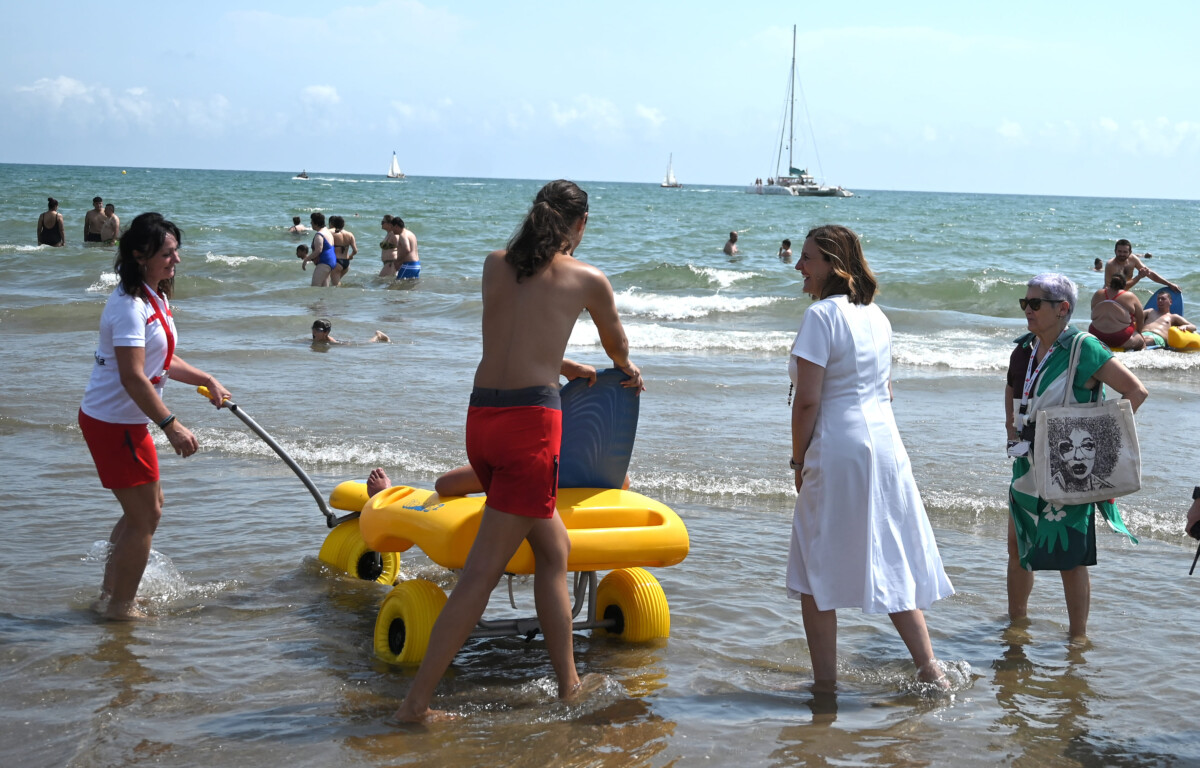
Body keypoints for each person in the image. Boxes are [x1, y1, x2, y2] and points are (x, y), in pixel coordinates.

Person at [392, 179, 642, 723]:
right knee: (481, 573)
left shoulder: (494, 264)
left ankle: (569, 685)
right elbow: (617, 345)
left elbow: (512, 336)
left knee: (554, 551)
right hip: (531, 427)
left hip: (483, 419)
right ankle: (416, 705)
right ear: (580, 224)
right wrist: (626, 370)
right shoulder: (587, 278)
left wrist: (563, 365)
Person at [788, 224, 953, 690]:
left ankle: (825, 687)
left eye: (808, 258)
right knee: (888, 551)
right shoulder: (876, 316)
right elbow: (887, 390)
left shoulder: (821, 316)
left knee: (815, 569)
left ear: (833, 265)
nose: (799, 266)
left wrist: (798, 461)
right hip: (885, 444)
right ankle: (931, 670)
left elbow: (808, 401)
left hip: (838, 446)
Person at [78, 212, 231, 620]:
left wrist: (207, 379)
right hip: (114, 423)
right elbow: (132, 376)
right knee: (146, 515)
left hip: (125, 421)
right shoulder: (129, 306)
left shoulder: (153, 296)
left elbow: (160, 360)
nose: (176, 260)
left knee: (145, 510)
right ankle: (121, 608)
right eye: (166, 253)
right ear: (139, 255)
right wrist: (171, 425)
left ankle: (110, 595)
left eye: (176, 251)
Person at [1004, 272, 1147, 640]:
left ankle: (1077, 639)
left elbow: (1136, 392)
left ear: (1062, 308)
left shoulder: (1085, 349)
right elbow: (1012, 386)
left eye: (1035, 303)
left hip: (1070, 470)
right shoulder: (1024, 349)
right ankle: (1016, 629)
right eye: (1025, 302)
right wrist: (1010, 430)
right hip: (1026, 465)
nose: (1027, 310)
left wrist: (1100, 444)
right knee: (1018, 548)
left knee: (1070, 556)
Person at [1088, 274, 1145, 350]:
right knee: (1141, 342)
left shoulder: (1098, 293)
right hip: (1119, 339)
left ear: (1110, 283)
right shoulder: (1130, 296)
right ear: (1124, 285)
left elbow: (1093, 310)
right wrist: (1138, 332)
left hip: (1096, 337)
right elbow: (1140, 318)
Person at [1104, 239, 1179, 293]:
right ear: (1115, 251)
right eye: (1119, 251)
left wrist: (1169, 284)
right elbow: (1121, 287)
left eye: (1125, 252)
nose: (1122, 254)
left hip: (1123, 293)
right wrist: (1139, 277)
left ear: (1130, 252)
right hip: (1110, 294)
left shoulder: (1133, 259)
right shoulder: (1111, 265)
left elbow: (1149, 273)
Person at [304, 212, 337, 287]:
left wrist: (306, 260)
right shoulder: (327, 232)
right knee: (324, 287)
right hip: (331, 261)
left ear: (316, 224)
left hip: (324, 262)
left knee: (315, 287)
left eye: (312, 221)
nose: (310, 223)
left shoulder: (319, 235)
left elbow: (318, 250)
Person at [310, 318, 388, 345]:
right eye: (313, 329)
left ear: (326, 332)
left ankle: (378, 336)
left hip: (341, 342)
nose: (314, 332)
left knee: (367, 343)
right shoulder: (316, 337)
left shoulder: (332, 342)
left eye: (318, 330)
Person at [329, 215, 357, 286]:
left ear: (333, 224)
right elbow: (355, 250)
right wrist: (350, 256)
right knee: (336, 282)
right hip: (346, 262)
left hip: (337, 262)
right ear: (343, 224)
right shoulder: (350, 234)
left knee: (335, 285)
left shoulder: (332, 233)